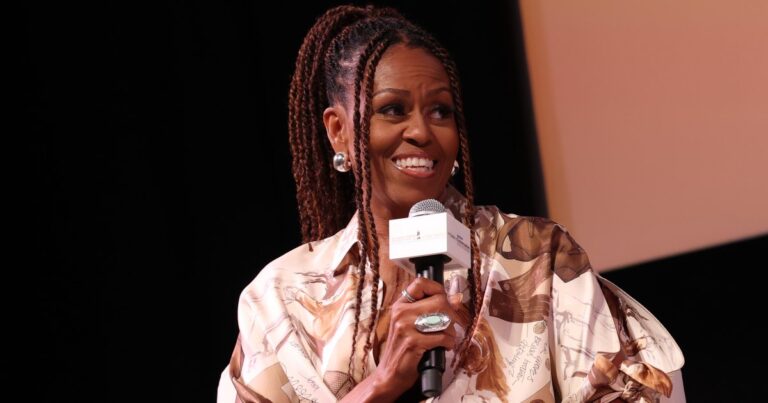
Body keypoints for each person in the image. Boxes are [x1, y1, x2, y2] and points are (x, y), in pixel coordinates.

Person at [217, 5, 685, 402]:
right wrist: (380, 384)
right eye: (393, 110)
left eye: (440, 111)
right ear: (339, 131)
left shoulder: (535, 258)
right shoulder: (280, 298)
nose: (422, 131)